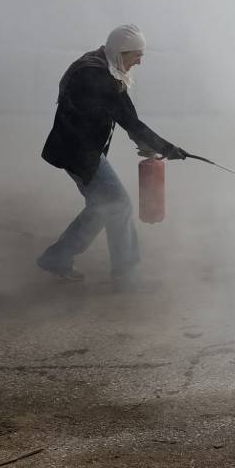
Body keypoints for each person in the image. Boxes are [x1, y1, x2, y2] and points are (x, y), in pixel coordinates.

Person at [37, 24, 187, 289]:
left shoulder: (103, 65)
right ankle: (127, 277)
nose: (139, 61)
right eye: (137, 55)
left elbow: (125, 113)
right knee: (118, 204)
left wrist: (148, 145)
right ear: (121, 52)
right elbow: (130, 121)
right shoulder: (96, 76)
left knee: (103, 206)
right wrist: (167, 148)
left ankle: (57, 258)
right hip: (77, 151)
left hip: (80, 148)